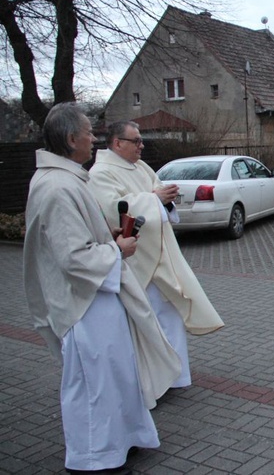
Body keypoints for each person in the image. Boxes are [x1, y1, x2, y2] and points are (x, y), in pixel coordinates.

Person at [23, 103, 181, 473]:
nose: (94, 139)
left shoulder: (68, 179)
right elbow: (73, 258)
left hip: (98, 297)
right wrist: (117, 249)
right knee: (94, 382)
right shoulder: (58, 186)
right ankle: (94, 456)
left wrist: (105, 236)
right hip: (83, 301)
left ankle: (123, 440)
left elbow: (76, 238)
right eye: (88, 132)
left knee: (117, 374)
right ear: (70, 138)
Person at [89, 121, 224, 388]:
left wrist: (165, 198)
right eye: (136, 140)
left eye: (141, 140)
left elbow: (156, 194)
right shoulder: (100, 173)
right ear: (117, 143)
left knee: (170, 315)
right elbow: (113, 209)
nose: (142, 145)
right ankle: (153, 382)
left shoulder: (141, 166)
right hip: (137, 260)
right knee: (147, 323)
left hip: (161, 254)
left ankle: (176, 376)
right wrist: (154, 198)